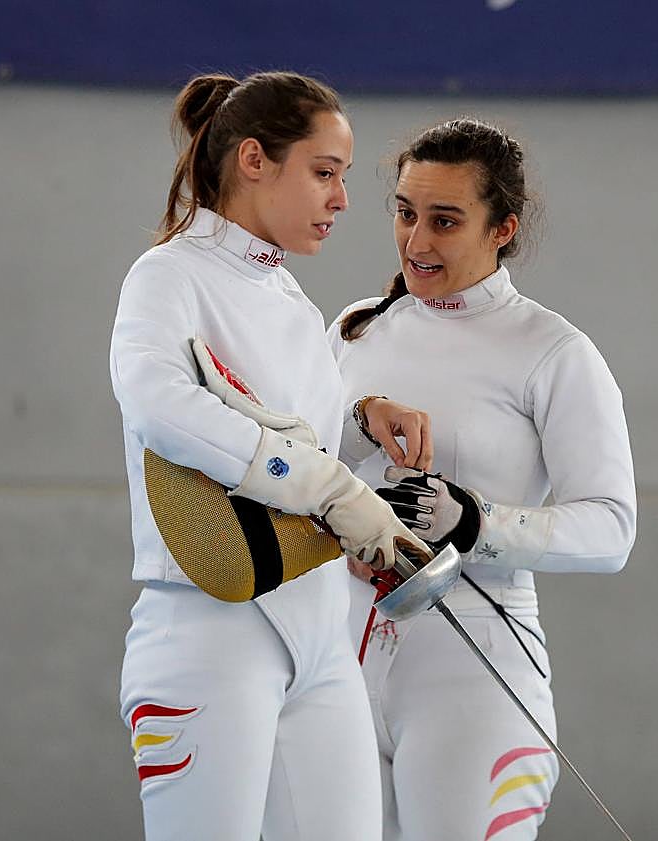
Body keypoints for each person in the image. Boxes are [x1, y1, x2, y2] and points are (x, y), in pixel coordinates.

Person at [109, 71, 436, 841]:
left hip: (318, 634)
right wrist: (325, 483)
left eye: (344, 178)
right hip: (210, 630)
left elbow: (295, 442)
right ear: (254, 159)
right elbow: (159, 406)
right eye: (324, 173)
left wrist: (358, 424)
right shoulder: (169, 274)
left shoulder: (288, 298)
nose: (342, 200)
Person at [328, 118, 637, 841]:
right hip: (336, 655)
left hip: (474, 668)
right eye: (404, 213)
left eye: (444, 220)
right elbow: (305, 465)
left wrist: (474, 522)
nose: (415, 240)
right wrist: (358, 418)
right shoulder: (354, 328)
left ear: (502, 228)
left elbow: (610, 530)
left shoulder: (553, 351)